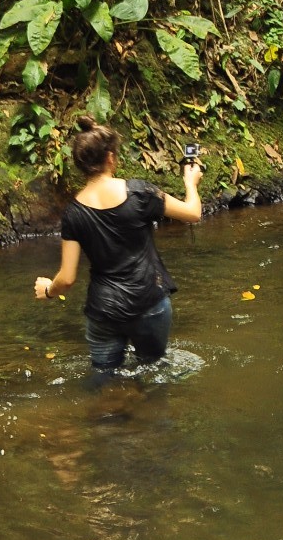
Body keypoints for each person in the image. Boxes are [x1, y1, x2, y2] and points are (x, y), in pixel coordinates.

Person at [35, 118, 203, 371]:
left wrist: (49, 290)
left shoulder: (73, 213)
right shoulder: (140, 193)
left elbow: (67, 278)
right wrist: (191, 184)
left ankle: (102, 407)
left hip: (104, 310)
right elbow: (193, 213)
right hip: (148, 303)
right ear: (111, 158)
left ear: (80, 164)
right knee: (154, 372)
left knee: (103, 377)